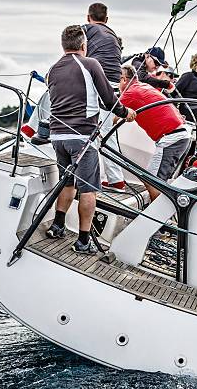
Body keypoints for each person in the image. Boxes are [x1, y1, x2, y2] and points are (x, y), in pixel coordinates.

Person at [45, 25, 136, 254]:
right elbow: (109, 100)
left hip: (58, 137)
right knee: (88, 190)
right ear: (84, 45)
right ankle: (83, 241)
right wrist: (127, 113)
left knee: (67, 182)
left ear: (63, 45)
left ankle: (57, 226)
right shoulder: (90, 64)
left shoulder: (52, 70)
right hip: (82, 137)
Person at [118, 64, 191, 201]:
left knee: (152, 181)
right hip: (180, 134)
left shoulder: (130, 93)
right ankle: (158, 213)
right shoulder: (143, 87)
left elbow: (112, 117)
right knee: (154, 180)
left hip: (172, 137)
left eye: (118, 81)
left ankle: (157, 219)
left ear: (123, 80)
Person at [82, 2, 126, 190]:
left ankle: (36, 130)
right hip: (113, 84)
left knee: (56, 87)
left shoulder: (86, 29)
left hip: (97, 80)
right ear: (106, 20)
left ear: (87, 17)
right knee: (108, 134)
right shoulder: (113, 36)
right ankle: (116, 180)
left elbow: (72, 49)